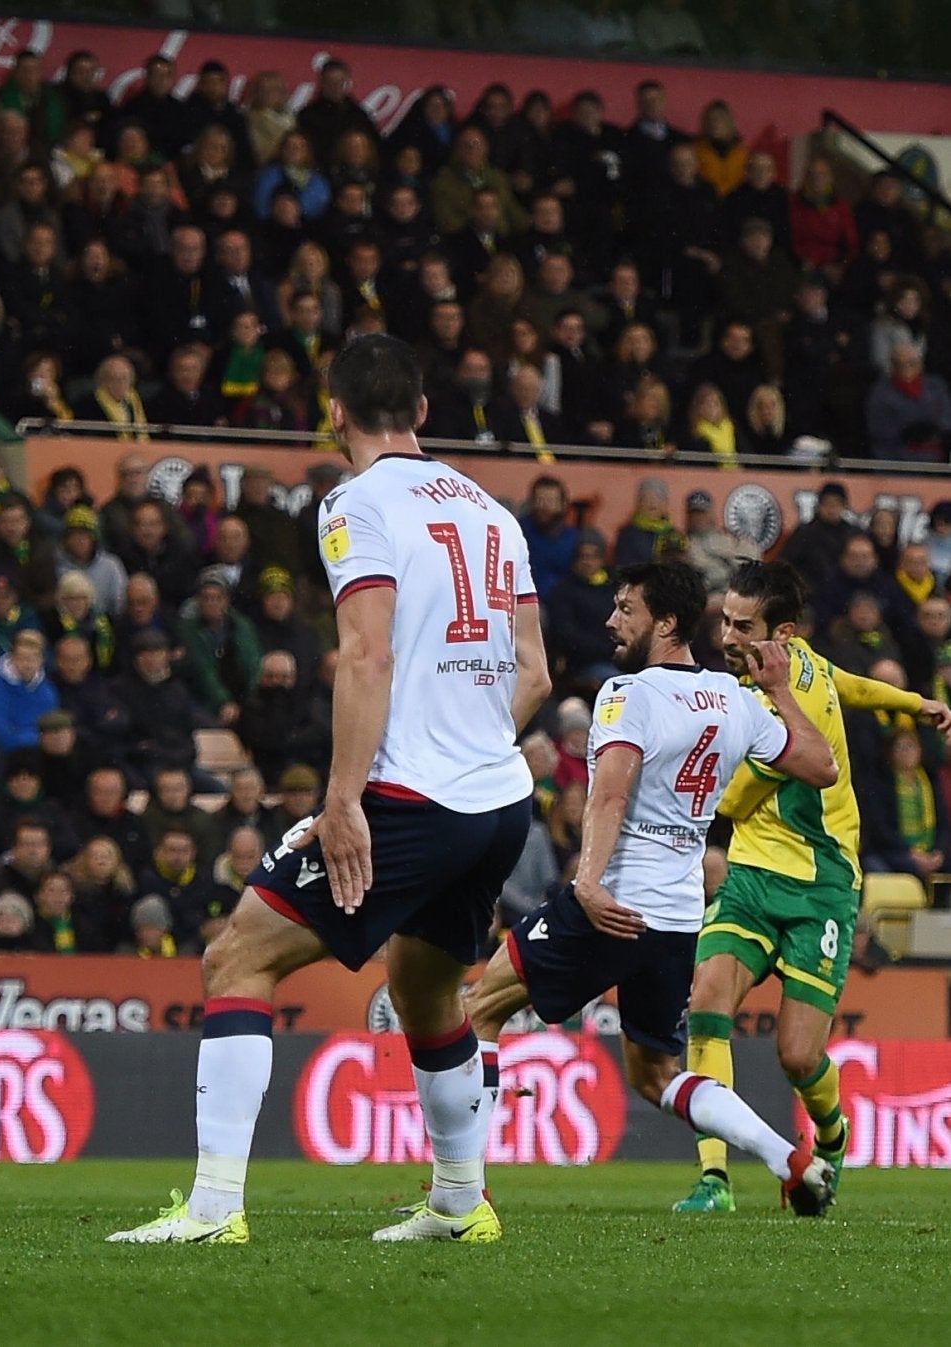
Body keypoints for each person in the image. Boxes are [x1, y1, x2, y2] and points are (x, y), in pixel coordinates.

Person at [108, 334, 550, 1247]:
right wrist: (469, 748)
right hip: (499, 799)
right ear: (424, 410)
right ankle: (462, 1203)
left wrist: (345, 797)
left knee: (237, 958)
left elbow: (364, 651)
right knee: (426, 993)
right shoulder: (491, 511)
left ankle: (212, 1208)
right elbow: (537, 674)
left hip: (411, 798)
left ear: (335, 414)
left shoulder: (355, 503)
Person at [463, 561, 840, 1218]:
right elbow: (821, 765)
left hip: (609, 903)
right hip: (674, 918)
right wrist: (778, 691)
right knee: (655, 1075)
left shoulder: (626, 693)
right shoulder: (733, 699)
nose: (611, 621)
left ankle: (459, 1192)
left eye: (625, 609)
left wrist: (583, 883)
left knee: (476, 1012)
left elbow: (608, 793)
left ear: (664, 622)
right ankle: (791, 1159)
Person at [673, 561, 951, 1214]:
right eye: (725, 620)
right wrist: (915, 702)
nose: (727, 634)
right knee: (707, 999)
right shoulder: (801, 666)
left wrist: (699, 787)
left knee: (798, 1056)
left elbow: (739, 799)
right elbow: (850, 682)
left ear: (782, 631)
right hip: (750, 877)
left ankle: (831, 1135)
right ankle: (713, 1177)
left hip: (821, 882)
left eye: (743, 626)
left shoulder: (785, 705)